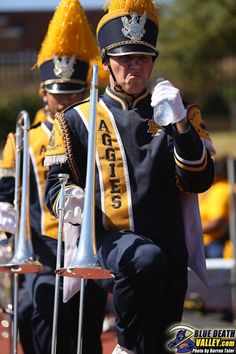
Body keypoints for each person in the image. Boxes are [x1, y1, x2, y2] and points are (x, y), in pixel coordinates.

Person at [44, 0, 215, 353]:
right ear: (107, 63)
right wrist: (70, 199)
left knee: (165, 337)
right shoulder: (75, 119)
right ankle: (124, 346)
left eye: (142, 57)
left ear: (152, 61)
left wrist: (181, 125)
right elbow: (55, 186)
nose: (134, 65)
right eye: (124, 58)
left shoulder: (179, 112)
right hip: (111, 239)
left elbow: (199, 181)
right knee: (143, 260)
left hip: (169, 245)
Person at [0, 0, 108, 353]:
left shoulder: (97, 132)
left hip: (88, 246)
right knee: (36, 316)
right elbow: (5, 191)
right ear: (43, 93)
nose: (64, 102)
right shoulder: (22, 138)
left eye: (74, 93)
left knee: (86, 325)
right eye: (58, 94)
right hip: (42, 249)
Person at [199, 156, 231, 258]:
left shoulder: (221, 189)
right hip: (204, 241)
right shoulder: (212, 188)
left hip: (212, 244)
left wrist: (190, 229)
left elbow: (216, 223)